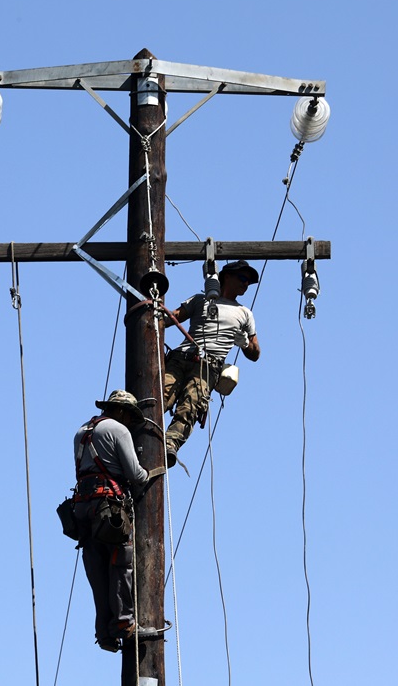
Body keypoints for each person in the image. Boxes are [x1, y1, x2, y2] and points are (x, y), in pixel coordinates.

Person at [71, 389, 164, 652]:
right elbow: (136, 474)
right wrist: (149, 472)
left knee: (97, 573)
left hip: (82, 510)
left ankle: (104, 633)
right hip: (109, 509)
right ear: (121, 411)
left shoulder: (81, 431)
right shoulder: (117, 430)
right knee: (120, 564)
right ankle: (124, 623)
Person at [162, 260, 261, 466]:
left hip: (208, 367)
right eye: (242, 278)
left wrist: (244, 343)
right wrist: (152, 309)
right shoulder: (200, 301)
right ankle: (138, 433)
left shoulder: (244, 314)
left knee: (190, 406)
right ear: (226, 276)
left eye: (249, 282)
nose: (246, 284)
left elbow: (255, 353)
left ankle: (169, 444)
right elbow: (170, 319)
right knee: (160, 396)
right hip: (181, 357)